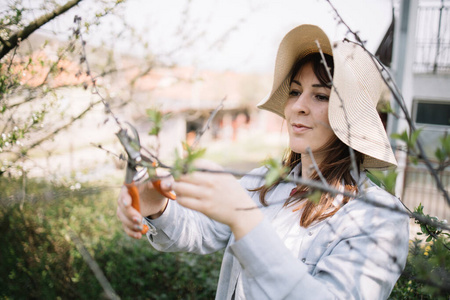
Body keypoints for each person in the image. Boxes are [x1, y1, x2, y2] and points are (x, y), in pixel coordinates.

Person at [116, 24, 409, 300]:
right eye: (295, 92)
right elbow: (202, 230)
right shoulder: (265, 183)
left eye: (320, 96)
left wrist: (244, 219)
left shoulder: (379, 217)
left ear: (353, 121)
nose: (297, 106)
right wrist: (156, 204)